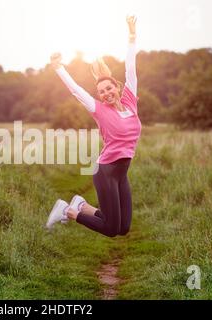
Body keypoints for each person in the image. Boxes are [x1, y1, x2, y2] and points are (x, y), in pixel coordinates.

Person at [46, 15, 141, 238]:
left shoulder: (130, 100)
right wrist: (58, 68)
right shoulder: (99, 109)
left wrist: (132, 36)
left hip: (121, 173)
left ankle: (82, 206)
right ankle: (67, 210)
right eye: (101, 92)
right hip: (105, 171)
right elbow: (77, 90)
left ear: (117, 87)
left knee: (123, 228)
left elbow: (130, 68)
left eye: (109, 89)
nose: (106, 93)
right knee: (110, 228)